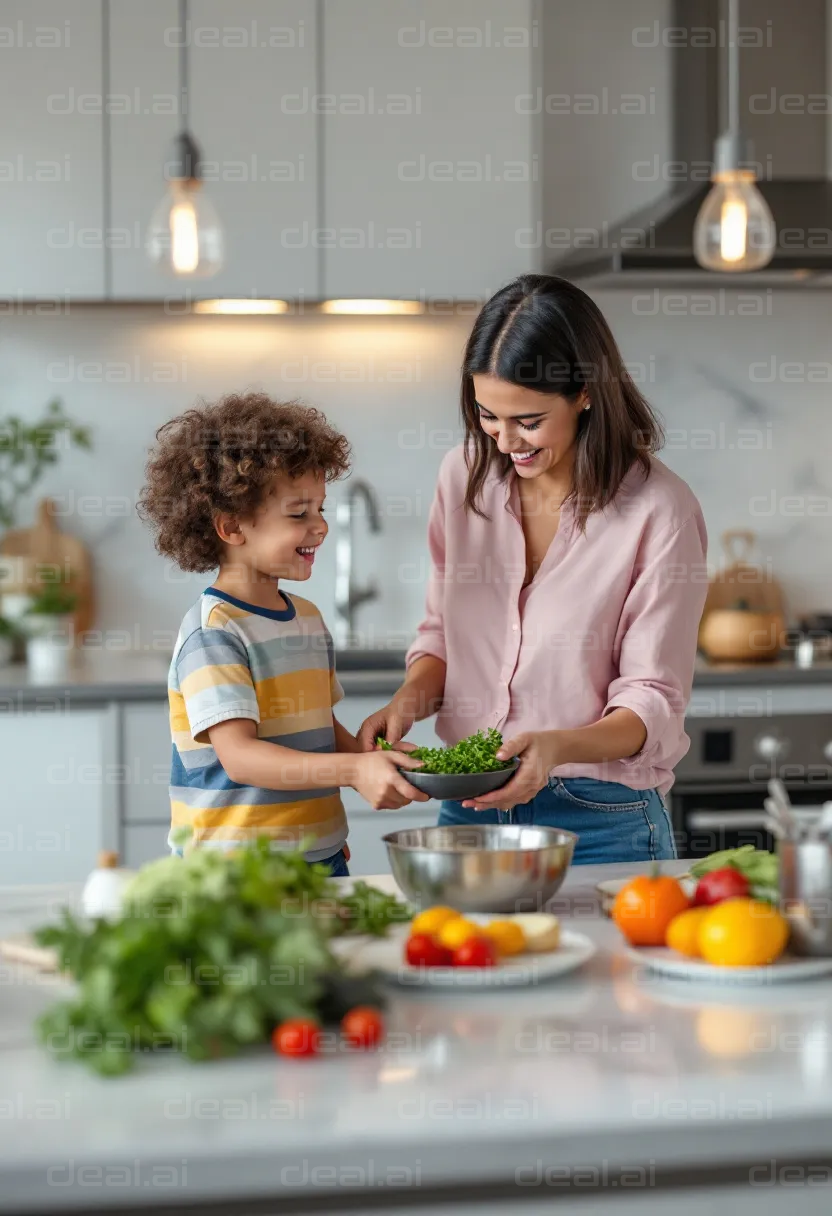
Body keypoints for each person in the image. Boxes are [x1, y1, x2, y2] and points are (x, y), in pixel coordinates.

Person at [359, 275, 708, 864]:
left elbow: (651, 701)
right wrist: (409, 701)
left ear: (585, 394)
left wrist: (555, 747)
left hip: (599, 816)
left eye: (528, 420)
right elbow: (442, 632)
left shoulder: (659, 511)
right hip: (469, 807)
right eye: (486, 415)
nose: (503, 441)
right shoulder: (462, 475)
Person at [138, 392, 426, 876]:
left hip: (319, 855)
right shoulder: (215, 632)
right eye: (299, 514)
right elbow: (242, 758)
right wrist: (354, 771)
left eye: (320, 509)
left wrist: (371, 757)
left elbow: (316, 728)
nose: (320, 527)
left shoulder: (306, 618)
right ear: (232, 526)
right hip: (236, 873)